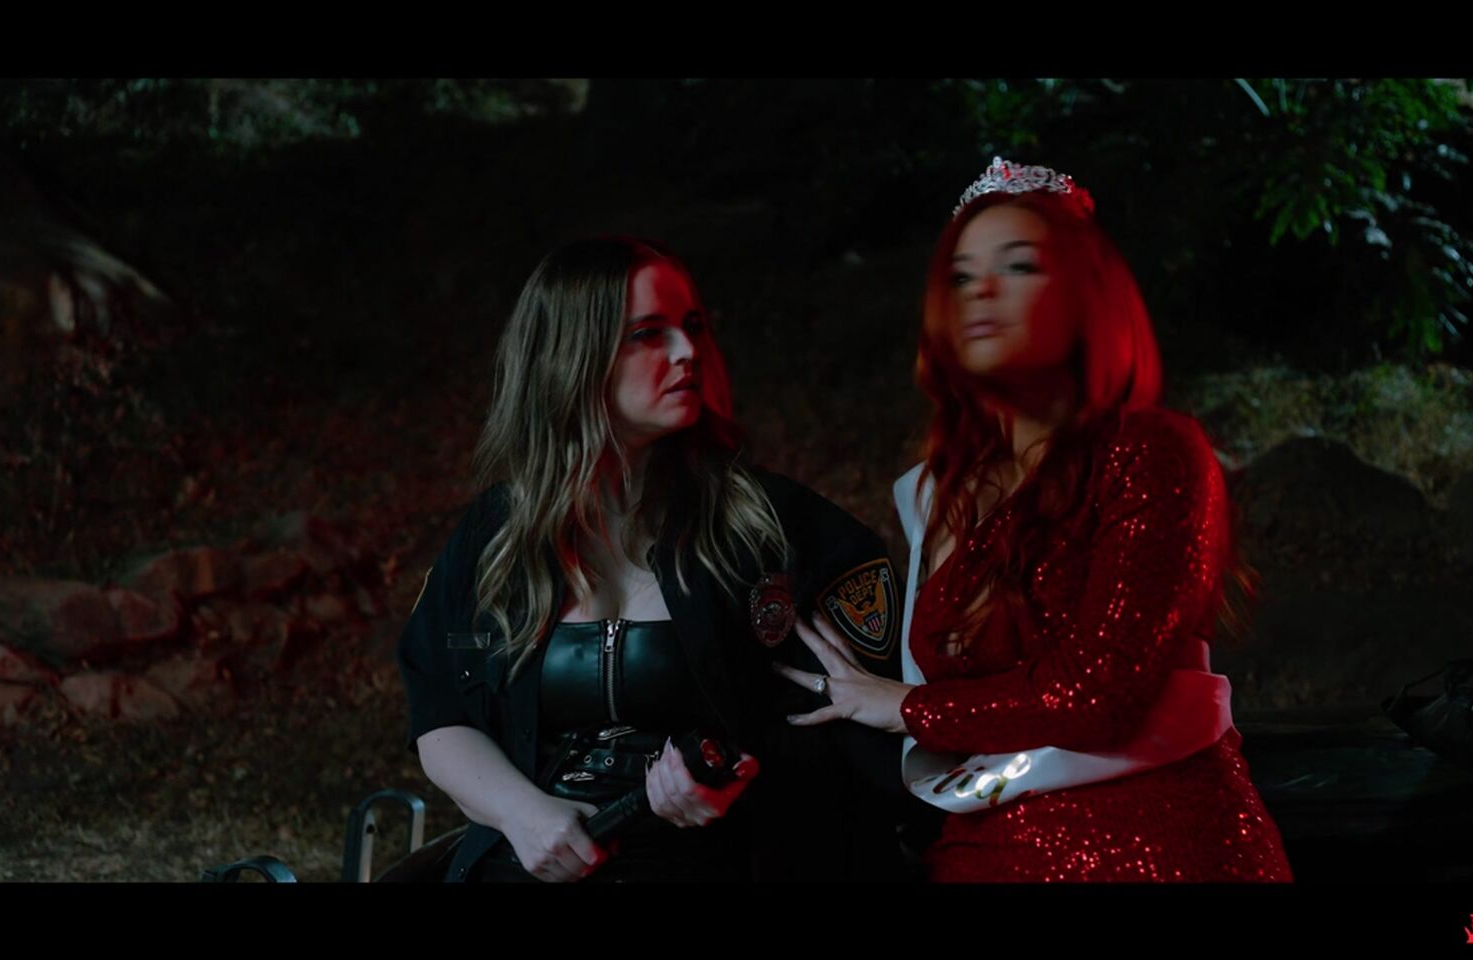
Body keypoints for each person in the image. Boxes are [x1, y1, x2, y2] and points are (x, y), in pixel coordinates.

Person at [777, 159, 1293, 882]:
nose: (982, 289)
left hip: (1152, 844)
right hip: (978, 848)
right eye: (961, 276)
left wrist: (909, 707)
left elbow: (1097, 693)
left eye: (1018, 265)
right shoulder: (938, 493)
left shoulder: (1151, 452)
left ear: (1086, 295)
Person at [395, 236, 909, 882]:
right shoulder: (497, 535)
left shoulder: (775, 530)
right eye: (647, 334)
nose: (687, 351)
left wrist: (745, 781)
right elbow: (440, 714)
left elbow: (859, 733)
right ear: (571, 357)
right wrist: (523, 813)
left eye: (692, 326)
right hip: (527, 864)